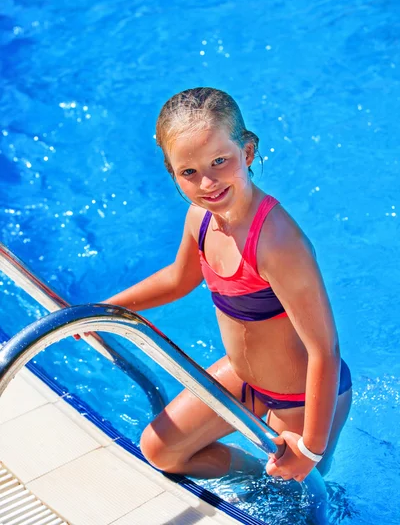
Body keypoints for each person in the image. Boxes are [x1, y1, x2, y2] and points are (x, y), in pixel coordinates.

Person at [104, 87, 352, 483]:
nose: (207, 183)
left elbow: (324, 349)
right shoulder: (199, 218)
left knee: (299, 500)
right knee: (161, 449)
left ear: (248, 153)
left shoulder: (278, 243)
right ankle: (253, 478)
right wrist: (106, 311)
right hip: (245, 379)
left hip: (304, 398)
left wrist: (310, 448)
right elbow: (176, 280)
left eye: (220, 161)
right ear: (173, 172)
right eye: (189, 172)